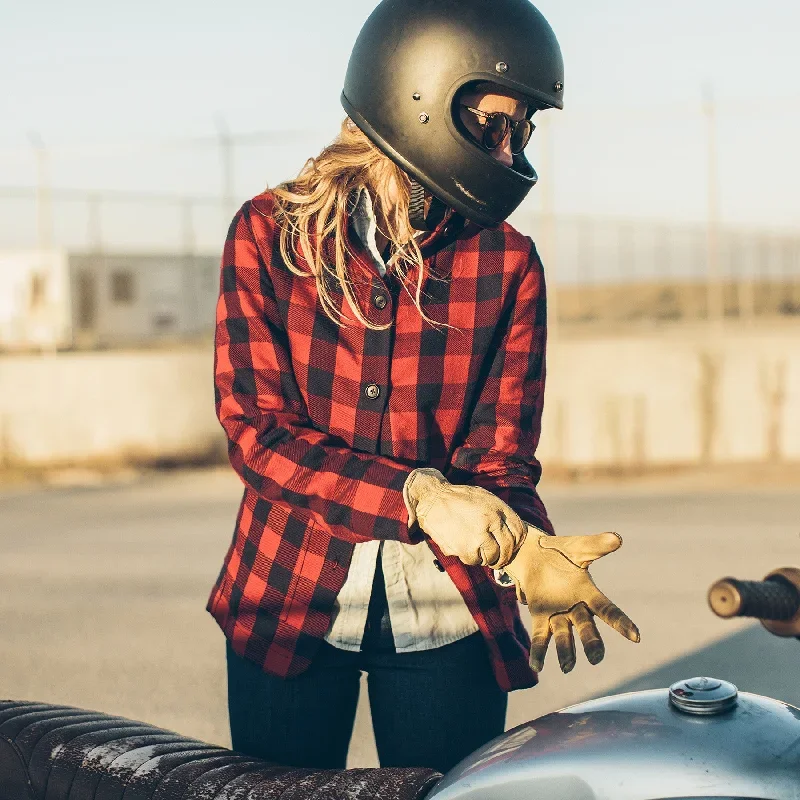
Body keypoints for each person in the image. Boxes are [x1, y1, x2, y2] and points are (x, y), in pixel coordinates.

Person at [207, 0, 639, 776]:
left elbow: (501, 456)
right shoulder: (267, 236)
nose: (510, 154)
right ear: (415, 92)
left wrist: (529, 549)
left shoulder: (507, 263)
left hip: (449, 612)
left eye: (523, 132)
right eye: (492, 126)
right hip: (286, 593)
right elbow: (257, 435)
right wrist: (418, 496)